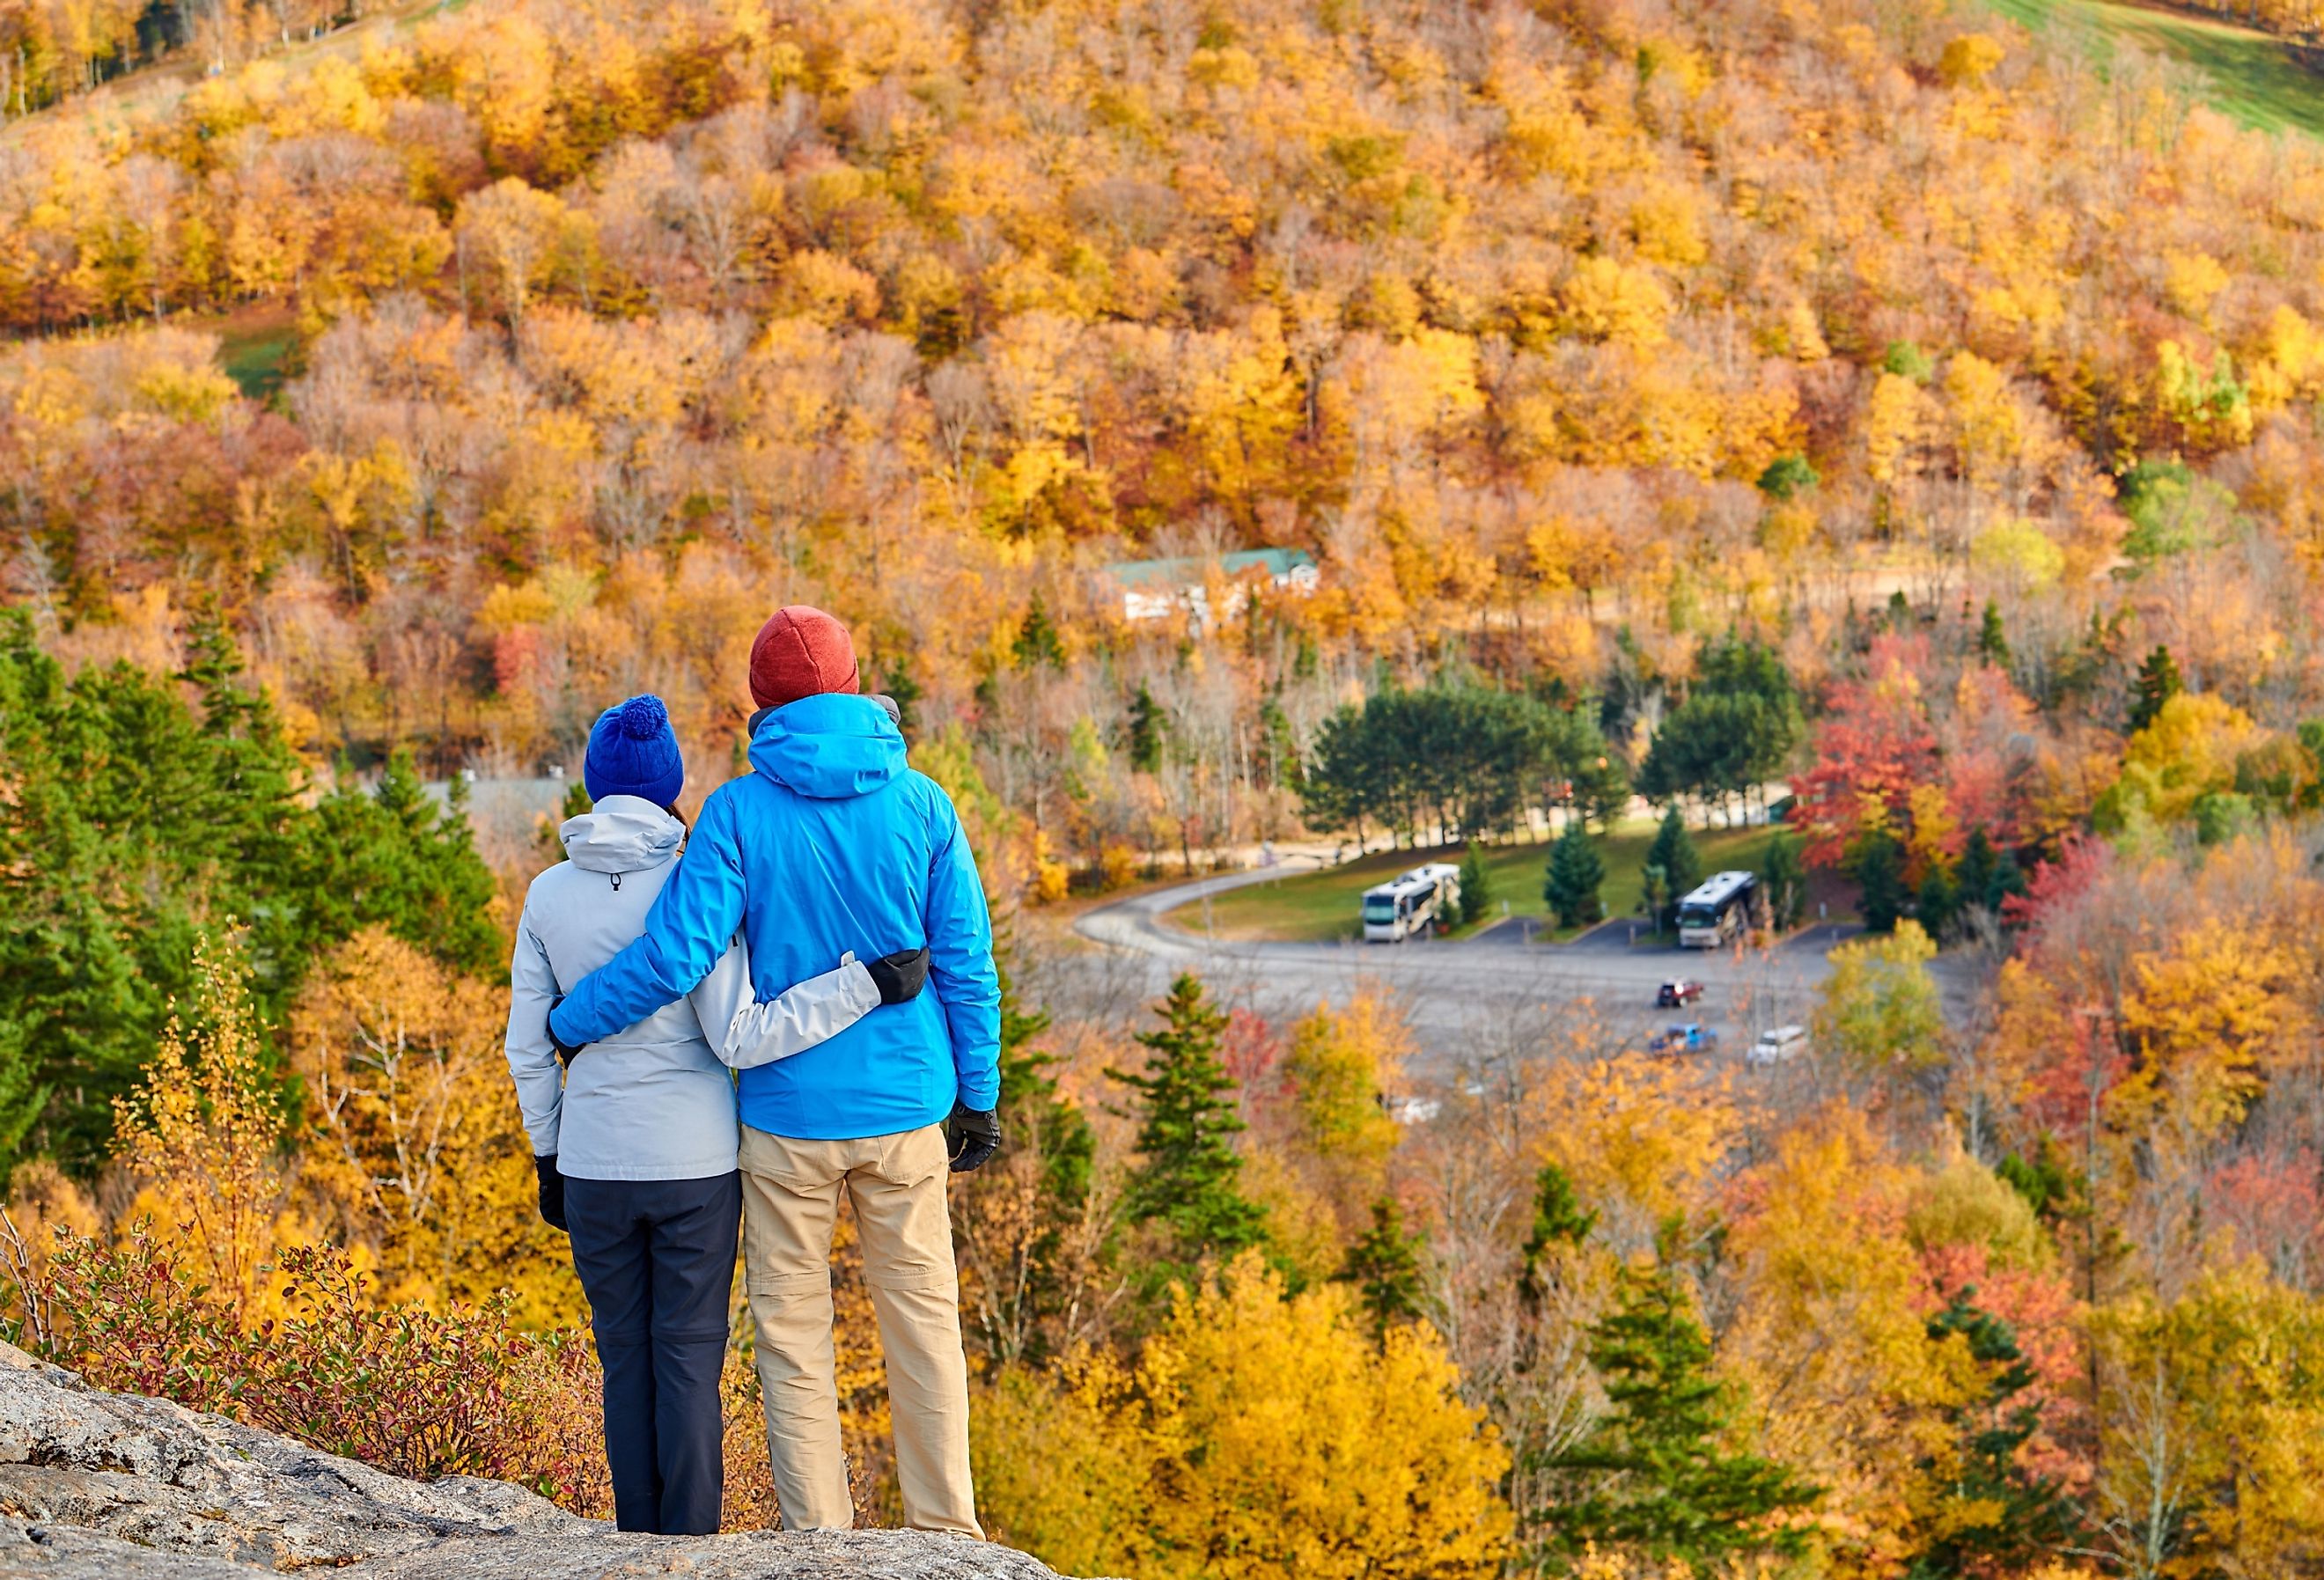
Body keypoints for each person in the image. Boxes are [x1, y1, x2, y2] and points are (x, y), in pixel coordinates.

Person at [549, 606, 1001, 1537]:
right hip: (908, 1106)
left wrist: (572, 1019)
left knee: (795, 1342)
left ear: (763, 699)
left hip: (788, 1122)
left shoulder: (738, 815)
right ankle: (945, 1536)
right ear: (852, 681)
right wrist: (980, 1095)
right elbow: (965, 958)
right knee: (923, 1328)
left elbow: (676, 956)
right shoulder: (922, 804)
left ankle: (820, 1543)